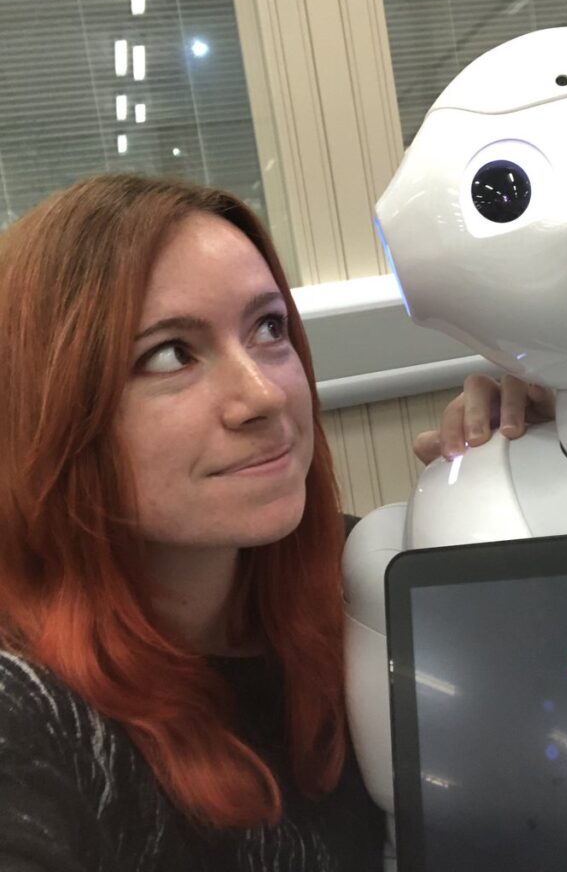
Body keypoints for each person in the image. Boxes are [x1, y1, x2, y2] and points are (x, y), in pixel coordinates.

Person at [0, 172, 539, 872]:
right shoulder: (29, 713)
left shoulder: (367, 584)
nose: (263, 396)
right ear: (45, 410)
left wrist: (539, 495)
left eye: (268, 328)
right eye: (170, 354)